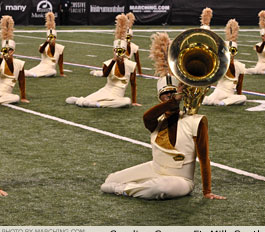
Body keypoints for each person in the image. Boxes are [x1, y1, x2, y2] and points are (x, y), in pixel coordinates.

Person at [101, 32, 225, 200]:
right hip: (155, 169)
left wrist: (207, 191)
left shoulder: (196, 121)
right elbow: (146, 117)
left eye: (172, 93)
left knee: (160, 188)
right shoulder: (156, 121)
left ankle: (124, 189)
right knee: (111, 178)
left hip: (181, 180)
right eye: (165, 95)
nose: (169, 96)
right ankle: (128, 185)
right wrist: (171, 102)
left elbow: (204, 158)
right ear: (160, 98)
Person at [66, 14, 141, 108]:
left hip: (118, 96)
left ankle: (98, 104)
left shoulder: (131, 65)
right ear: (114, 51)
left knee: (126, 101)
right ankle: (79, 100)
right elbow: (105, 74)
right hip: (106, 90)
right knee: (85, 101)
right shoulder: (108, 62)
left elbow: (133, 84)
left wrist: (134, 101)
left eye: (121, 51)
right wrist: (114, 60)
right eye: (117, 51)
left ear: (124, 51)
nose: (119, 53)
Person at [202, 19, 246, 106]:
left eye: (233, 52)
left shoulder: (240, 66)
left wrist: (238, 96)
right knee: (206, 101)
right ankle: (215, 101)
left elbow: (239, 84)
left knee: (243, 98)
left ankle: (223, 103)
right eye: (229, 52)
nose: (231, 54)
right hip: (220, 91)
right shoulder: (221, 64)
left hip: (230, 94)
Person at [25, 12, 65, 78]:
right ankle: (33, 74)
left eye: (53, 38)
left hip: (51, 69)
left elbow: (60, 62)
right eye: (50, 37)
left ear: (55, 38)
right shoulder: (43, 45)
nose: (52, 39)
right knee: (30, 72)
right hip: (42, 65)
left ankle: (35, 75)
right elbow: (41, 51)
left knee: (53, 72)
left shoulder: (60, 47)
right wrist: (46, 42)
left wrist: (61, 72)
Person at [0, 15, 29, 104]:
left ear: (13, 51)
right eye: (5, 50)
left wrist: (23, 97)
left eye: (9, 50)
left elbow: (21, 81)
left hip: (6, 94)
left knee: (16, 98)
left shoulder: (19, 64)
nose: (7, 52)